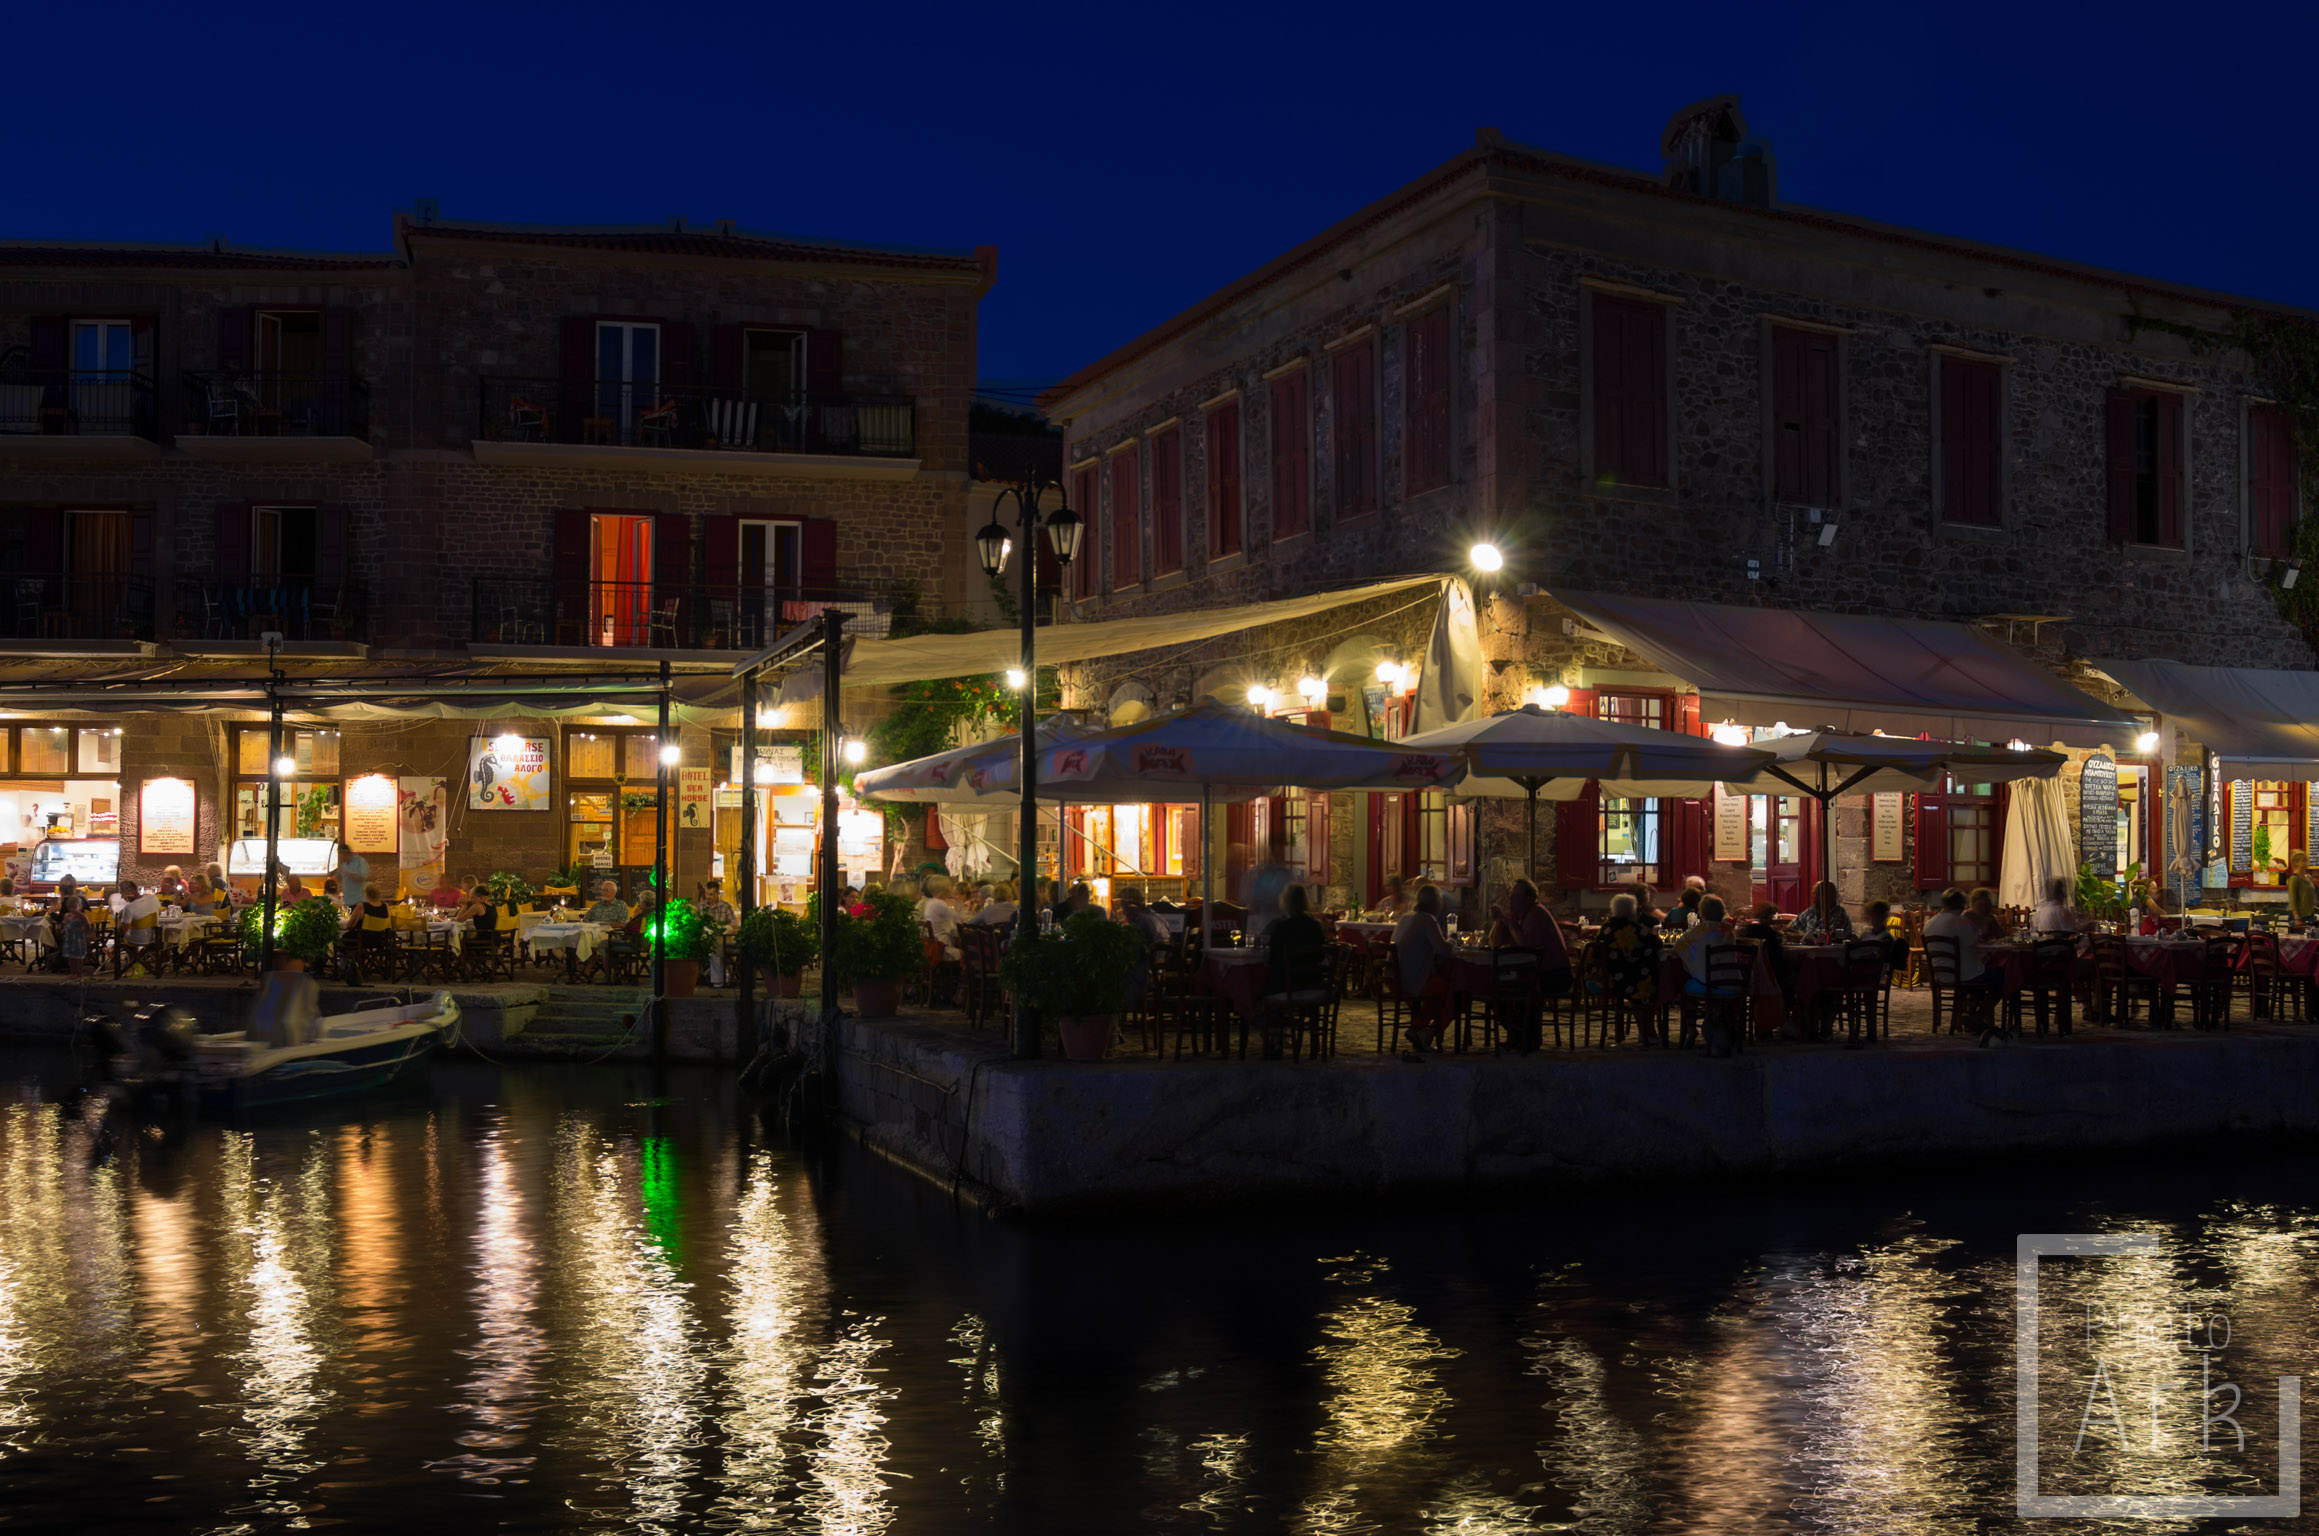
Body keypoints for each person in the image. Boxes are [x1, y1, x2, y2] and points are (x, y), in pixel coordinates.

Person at [1489, 877, 1574, 1051]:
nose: (1511, 900)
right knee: (1496, 988)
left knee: (1508, 988)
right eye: (1510, 896)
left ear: (1529, 899)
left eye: (1516, 896)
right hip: (1532, 972)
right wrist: (1499, 921)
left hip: (1555, 974)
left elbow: (1526, 946)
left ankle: (1525, 1037)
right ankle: (1519, 1035)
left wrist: (1509, 922)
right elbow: (1494, 943)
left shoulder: (1537, 913)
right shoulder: (1517, 915)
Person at [1392, 884, 1457, 1058]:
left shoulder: (1406, 917)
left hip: (1395, 978)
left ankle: (1418, 1028)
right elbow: (1443, 949)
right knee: (1453, 991)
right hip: (1411, 979)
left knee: (1441, 987)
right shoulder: (1427, 919)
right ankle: (1425, 1032)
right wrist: (1453, 940)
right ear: (1436, 903)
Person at [1595, 892, 1661, 1005]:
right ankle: (1644, 1017)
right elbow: (1657, 944)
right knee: (1655, 973)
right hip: (1631, 981)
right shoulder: (1636, 930)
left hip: (1604, 980)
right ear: (1633, 910)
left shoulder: (1606, 927)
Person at [1925, 887, 1997, 987]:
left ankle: (1970, 1001)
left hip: (1940, 974)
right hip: (1963, 974)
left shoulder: (1929, 923)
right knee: (2001, 975)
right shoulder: (1959, 922)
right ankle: (1984, 1003)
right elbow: (1975, 947)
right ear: (1961, 905)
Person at [1738, 901, 1794, 993]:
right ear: (1771, 918)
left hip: (1750, 978)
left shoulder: (1746, 931)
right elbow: (1779, 963)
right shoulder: (1770, 935)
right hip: (1772, 980)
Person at [115, 880, 162, 976]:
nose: (122, 897)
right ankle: (136, 965)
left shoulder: (129, 907)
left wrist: (120, 918)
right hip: (153, 937)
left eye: (122, 893)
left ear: (130, 891)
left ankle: (132, 965)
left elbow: (123, 931)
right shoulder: (153, 899)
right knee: (132, 934)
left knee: (125, 938)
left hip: (136, 939)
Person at [54, 874, 89, 977]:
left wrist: (50, 912)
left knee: (54, 935)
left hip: (75, 936)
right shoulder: (81, 899)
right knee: (78, 956)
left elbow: (60, 920)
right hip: (82, 934)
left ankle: (65, 966)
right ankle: (75, 972)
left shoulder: (67, 902)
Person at [921, 874, 962, 961]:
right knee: (973, 953)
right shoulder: (939, 904)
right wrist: (959, 903)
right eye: (950, 886)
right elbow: (959, 920)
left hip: (936, 945)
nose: (953, 888)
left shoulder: (931, 902)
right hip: (943, 948)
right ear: (944, 889)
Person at [1862, 899, 1909, 973]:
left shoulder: (1886, 937)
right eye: (1873, 915)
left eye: (1877, 915)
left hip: (1872, 972)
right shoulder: (1866, 934)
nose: (1874, 918)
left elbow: (1880, 958)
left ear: (1883, 917)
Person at [2290, 851, 2316, 933]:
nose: (2306, 863)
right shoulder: (2294, 879)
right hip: (2300, 917)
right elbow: (2293, 900)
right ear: (2296, 862)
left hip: (2311, 916)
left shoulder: (2309, 878)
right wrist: (2297, 918)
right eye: (2303, 860)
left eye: (2306, 860)